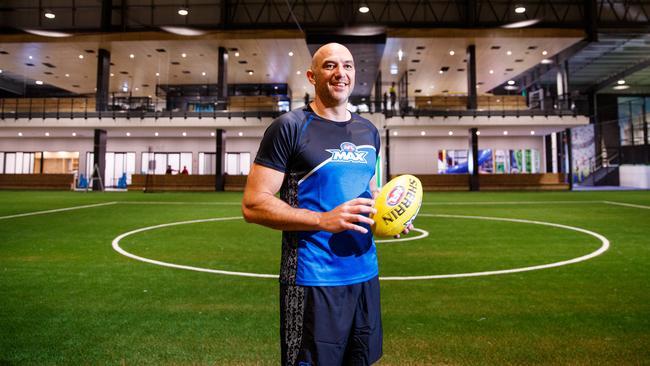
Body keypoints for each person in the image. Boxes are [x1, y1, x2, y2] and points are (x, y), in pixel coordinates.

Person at [242, 43, 411, 366]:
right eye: (330, 66)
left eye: (347, 66)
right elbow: (253, 204)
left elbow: (369, 193)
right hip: (313, 279)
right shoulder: (289, 128)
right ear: (312, 76)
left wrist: (388, 217)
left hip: (365, 275)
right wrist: (322, 220)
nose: (340, 73)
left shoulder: (369, 131)